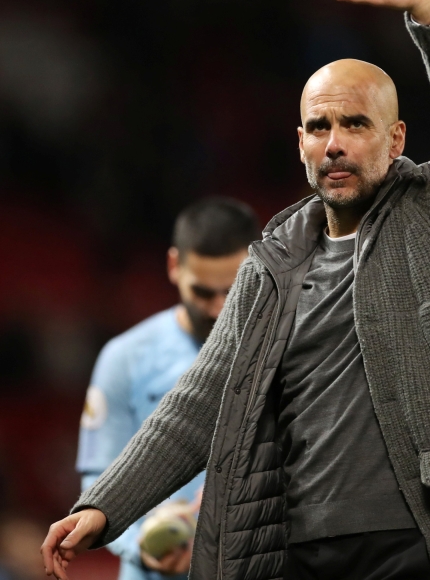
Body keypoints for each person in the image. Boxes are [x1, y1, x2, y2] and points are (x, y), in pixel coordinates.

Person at [42, 0, 430, 580]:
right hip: (295, 549)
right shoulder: (271, 262)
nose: (336, 143)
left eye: (356, 123)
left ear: (398, 137)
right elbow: (199, 403)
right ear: (300, 143)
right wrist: (106, 505)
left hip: (422, 544)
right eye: (319, 126)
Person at [77, 197, 260, 579]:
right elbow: (97, 477)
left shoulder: (286, 352)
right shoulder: (124, 358)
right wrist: (141, 542)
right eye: (204, 292)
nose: (219, 308)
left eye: (233, 290)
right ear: (174, 266)